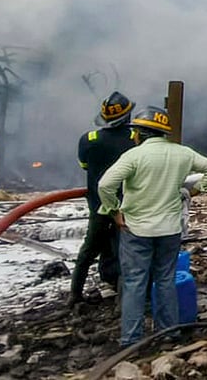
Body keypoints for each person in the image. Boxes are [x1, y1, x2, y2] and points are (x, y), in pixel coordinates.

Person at [98, 105, 207, 347]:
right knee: (165, 280)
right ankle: (170, 334)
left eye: (135, 132)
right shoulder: (182, 153)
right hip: (169, 230)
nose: (133, 135)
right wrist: (193, 191)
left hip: (136, 230)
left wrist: (113, 211)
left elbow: (105, 185)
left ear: (141, 133)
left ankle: (131, 340)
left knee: (135, 283)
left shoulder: (133, 156)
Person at [69, 91, 137, 306]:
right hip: (127, 206)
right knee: (125, 250)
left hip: (98, 206)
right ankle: (122, 298)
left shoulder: (89, 139)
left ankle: (75, 295)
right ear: (127, 116)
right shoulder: (136, 140)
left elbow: (85, 166)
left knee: (88, 250)